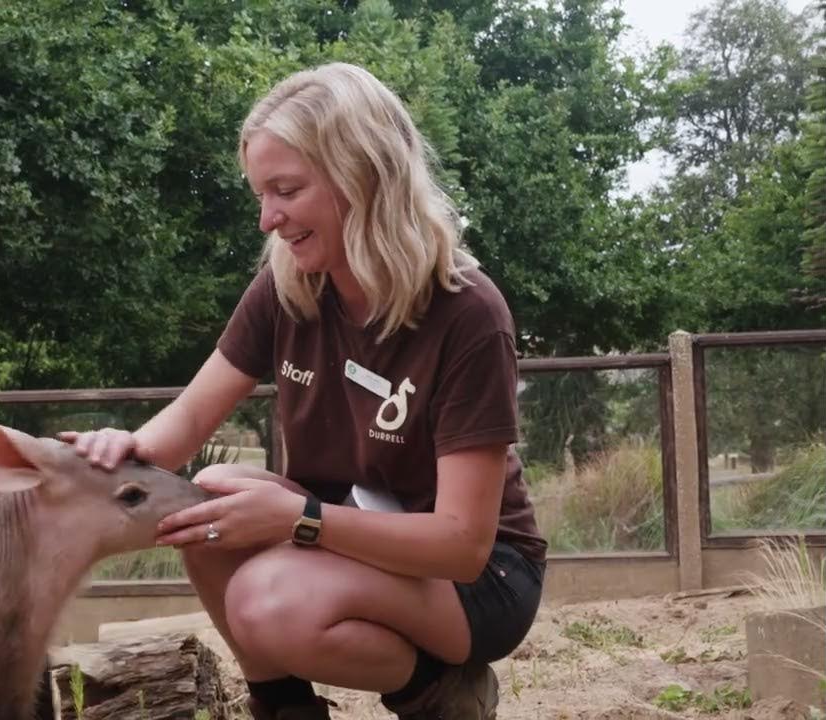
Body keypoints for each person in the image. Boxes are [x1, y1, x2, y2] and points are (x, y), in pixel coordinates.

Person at [58, 62, 547, 720]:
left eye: (286, 190)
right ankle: (283, 708)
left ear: (361, 174)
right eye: (261, 194)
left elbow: (462, 545)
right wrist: (121, 447)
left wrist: (301, 522)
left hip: (479, 581)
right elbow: (181, 426)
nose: (268, 220)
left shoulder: (468, 314)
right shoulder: (288, 284)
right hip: (351, 524)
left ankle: (440, 695)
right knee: (208, 502)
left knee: (267, 599)